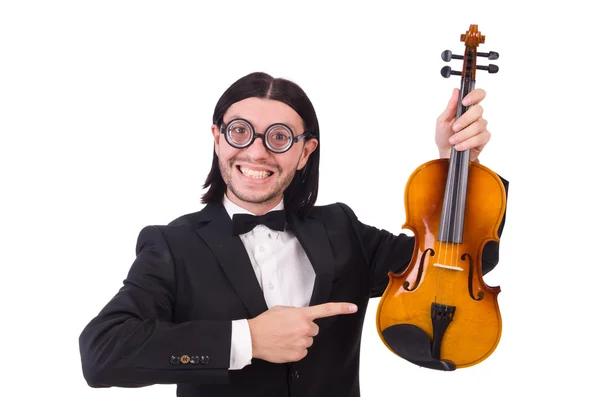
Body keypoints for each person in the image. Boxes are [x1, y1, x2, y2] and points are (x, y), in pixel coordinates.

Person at [79, 71, 508, 396]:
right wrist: (246, 339)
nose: (257, 151)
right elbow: (102, 355)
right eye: (240, 131)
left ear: (305, 152)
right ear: (217, 138)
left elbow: (459, 264)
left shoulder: (342, 228)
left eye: (279, 137)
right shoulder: (173, 245)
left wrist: (455, 167)